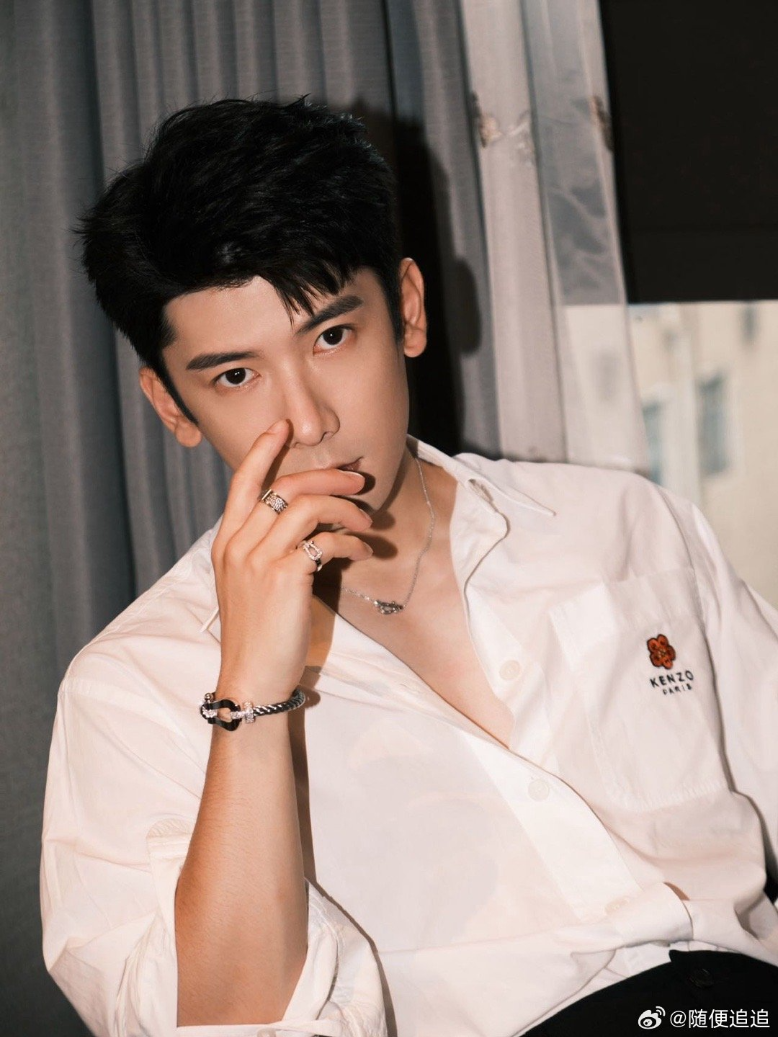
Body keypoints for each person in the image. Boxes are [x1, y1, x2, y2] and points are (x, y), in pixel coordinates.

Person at [39, 96, 778, 1037]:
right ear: (173, 406)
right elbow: (221, 1024)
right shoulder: (131, 686)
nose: (309, 422)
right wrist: (252, 693)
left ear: (409, 311)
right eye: (236, 375)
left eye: (331, 336)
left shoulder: (627, 527)